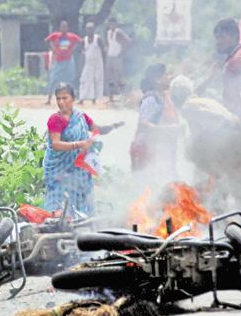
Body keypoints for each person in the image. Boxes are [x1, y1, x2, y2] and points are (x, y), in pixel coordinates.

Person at [43, 83, 123, 216]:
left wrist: (114, 126)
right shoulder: (55, 120)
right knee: (60, 209)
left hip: (79, 170)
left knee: (83, 206)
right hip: (60, 172)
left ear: (73, 98)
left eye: (65, 98)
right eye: (58, 98)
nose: (61, 102)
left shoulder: (80, 117)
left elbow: (97, 129)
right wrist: (79, 144)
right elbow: (55, 144)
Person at [197, 18, 241, 120]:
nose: (218, 42)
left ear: (234, 37)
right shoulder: (233, 57)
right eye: (216, 38)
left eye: (222, 37)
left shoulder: (239, 58)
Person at [129, 64, 180, 179]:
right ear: (157, 79)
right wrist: (166, 130)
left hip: (154, 149)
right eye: (166, 74)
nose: (170, 77)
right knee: (146, 185)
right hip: (144, 149)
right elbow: (143, 123)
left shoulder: (163, 97)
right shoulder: (151, 99)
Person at [44, 20, 83, 105]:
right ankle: (49, 99)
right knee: (53, 80)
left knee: (70, 80)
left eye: (65, 27)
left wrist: (74, 49)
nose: (64, 28)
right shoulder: (55, 36)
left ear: (67, 28)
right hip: (58, 61)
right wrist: (52, 49)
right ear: (60, 28)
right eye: (62, 26)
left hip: (68, 60)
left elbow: (81, 41)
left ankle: (72, 99)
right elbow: (46, 40)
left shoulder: (71, 36)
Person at [79, 22, 105, 105]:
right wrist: (81, 63)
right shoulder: (84, 40)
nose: (90, 30)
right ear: (86, 30)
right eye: (88, 29)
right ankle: (81, 99)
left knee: (96, 80)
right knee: (84, 80)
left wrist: (104, 62)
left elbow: (104, 51)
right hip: (88, 63)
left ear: (94, 30)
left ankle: (94, 99)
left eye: (91, 29)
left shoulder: (98, 39)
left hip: (98, 63)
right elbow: (82, 52)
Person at [106, 17, 132, 103]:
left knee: (118, 77)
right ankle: (111, 98)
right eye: (110, 24)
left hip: (117, 57)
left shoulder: (118, 32)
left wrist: (121, 53)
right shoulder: (108, 32)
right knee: (110, 78)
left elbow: (128, 42)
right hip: (110, 56)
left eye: (113, 23)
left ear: (116, 24)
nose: (111, 25)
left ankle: (125, 94)